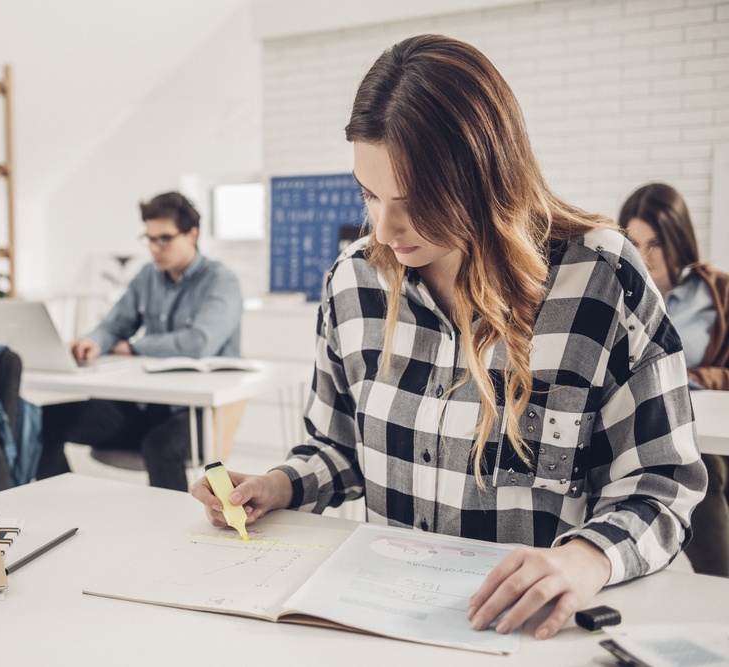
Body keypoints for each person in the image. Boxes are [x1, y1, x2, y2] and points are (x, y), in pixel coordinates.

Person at [191, 35, 706, 641]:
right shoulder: (353, 281)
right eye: (369, 193)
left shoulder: (601, 279)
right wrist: (277, 485)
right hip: (381, 629)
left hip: (529, 637)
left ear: (487, 177)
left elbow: (662, 483)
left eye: (415, 201)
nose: (384, 228)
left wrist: (585, 558)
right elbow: (337, 448)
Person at [38, 191, 243, 491]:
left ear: (192, 235)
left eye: (164, 238)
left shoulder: (221, 281)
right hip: (147, 403)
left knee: (160, 446)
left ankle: (173, 531)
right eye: (149, 239)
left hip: (198, 412)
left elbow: (199, 343)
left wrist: (133, 346)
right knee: (44, 420)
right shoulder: (147, 276)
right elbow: (115, 324)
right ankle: (63, 504)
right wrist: (93, 341)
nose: (155, 248)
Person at [619, 182, 729, 577]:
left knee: (702, 467)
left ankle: (719, 585)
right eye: (634, 243)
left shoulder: (716, 294)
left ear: (678, 239)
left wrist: (690, 378)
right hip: (637, 418)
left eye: (656, 244)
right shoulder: (622, 293)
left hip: (702, 425)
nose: (644, 257)